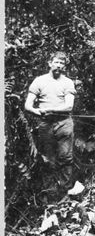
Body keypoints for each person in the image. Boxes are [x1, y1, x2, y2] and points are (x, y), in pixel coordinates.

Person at [25, 51, 77, 201]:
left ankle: (65, 193)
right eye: (56, 62)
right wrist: (37, 112)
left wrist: (52, 110)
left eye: (62, 63)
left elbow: (68, 106)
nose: (59, 66)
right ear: (50, 63)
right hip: (45, 124)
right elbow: (28, 105)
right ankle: (50, 193)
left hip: (64, 123)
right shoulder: (39, 81)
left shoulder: (67, 82)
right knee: (48, 158)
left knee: (65, 157)